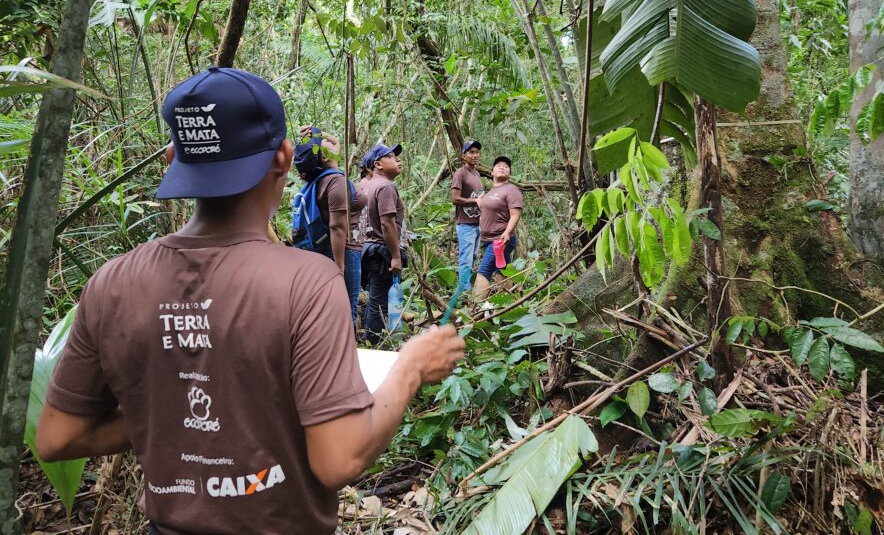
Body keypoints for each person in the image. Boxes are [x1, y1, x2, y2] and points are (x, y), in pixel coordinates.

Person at [35, 67, 465, 535]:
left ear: (172, 158)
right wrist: (410, 368)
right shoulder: (307, 282)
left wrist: (163, 407)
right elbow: (338, 457)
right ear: (282, 157)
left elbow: (59, 436)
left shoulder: (111, 282)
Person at [292, 126, 364, 321]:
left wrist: (318, 134)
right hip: (343, 252)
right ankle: (346, 350)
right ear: (323, 157)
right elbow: (337, 226)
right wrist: (339, 268)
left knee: (330, 310)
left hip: (328, 251)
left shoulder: (322, 179)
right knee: (347, 310)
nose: (330, 143)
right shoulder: (336, 181)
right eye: (324, 144)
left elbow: (335, 142)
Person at [361, 142, 406, 343]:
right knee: (378, 301)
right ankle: (374, 344)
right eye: (391, 156)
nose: (397, 159)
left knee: (374, 298)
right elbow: (387, 224)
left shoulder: (365, 185)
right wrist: (396, 256)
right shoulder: (385, 186)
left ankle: (372, 339)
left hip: (368, 249)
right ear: (378, 164)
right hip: (381, 251)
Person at [474, 155, 523, 300]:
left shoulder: (511, 190)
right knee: (503, 271)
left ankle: (474, 305)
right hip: (488, 239)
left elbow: (515, 214)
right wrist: (479, 202)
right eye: (498, 166)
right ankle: (510, 302)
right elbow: (487, 209)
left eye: (506, 166)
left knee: (484, 271)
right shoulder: (490, 192)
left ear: (509, 173)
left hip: (500, 239)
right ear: (491, 172)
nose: (502, 167)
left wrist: (507, 232)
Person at [451, 140, 484, 277]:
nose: (475, 155)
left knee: (474, 257)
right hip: (465, 224)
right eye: (471, 152)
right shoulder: (460, 173)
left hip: (477, 223)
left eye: (477, 152)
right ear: (463, 156)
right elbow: (455, 199)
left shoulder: (476, 174)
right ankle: (463, 289)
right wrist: (475, 201)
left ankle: (467, 286)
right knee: (466, 259)